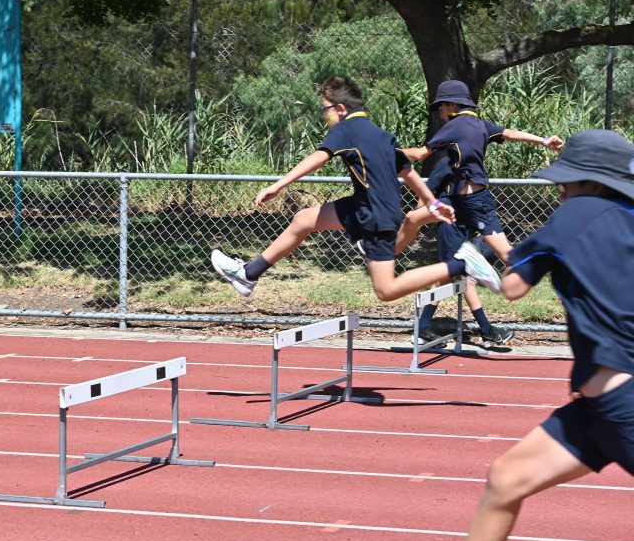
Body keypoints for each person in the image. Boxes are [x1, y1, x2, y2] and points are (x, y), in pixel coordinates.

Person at [373, 129, 634, 541]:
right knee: (507, 477)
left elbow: (513, 286)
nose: (560, 189)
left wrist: (465, 265)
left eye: (566, 180)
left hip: (624, 399)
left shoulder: (572, 215)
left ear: (588, 182)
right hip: (598, 410)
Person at [211, 76, 502, 304]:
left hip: (373, 216)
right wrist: (433, 204)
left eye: (324, 110)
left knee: (386, 290)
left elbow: (318, 157)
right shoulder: (382, 135)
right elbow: (409, 172)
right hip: (368, 207)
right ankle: (248, 274)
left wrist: (278, 185)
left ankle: (461, 265)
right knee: (303, 219)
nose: (324, 116)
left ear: (340, 109)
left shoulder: (345, 129)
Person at [394, 80, 564, 293]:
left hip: (476, 202)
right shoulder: (482, 125)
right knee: (413, 218)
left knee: (508, 257)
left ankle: (551, 261)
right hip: (455, 201)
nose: (440, 113)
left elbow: (420, 154)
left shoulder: (455, 125)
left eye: (441, 107)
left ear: (453, 105)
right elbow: (510, 133)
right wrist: (544, 141)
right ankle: (387, 258)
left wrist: (385, 150)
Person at [412, 155, 514, 349]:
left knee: (453, 276)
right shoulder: (447, 162)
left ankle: (424, 327)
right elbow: (425, 191)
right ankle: (486, 331)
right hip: (450, 225)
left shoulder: (473, 163)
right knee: (457, 275)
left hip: (465, 226)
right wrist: (416, 221)